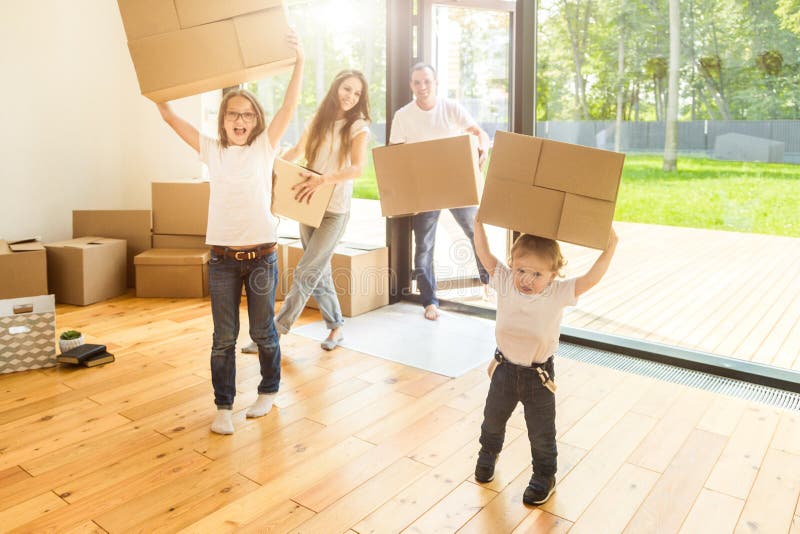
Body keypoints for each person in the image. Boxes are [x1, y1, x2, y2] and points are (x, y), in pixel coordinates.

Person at [155, 32, 304, 435]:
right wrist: (157, 89)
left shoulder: (264, 149)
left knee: (262, 331)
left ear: (256, 121)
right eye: (233, 114)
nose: (240, 121)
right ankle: (224, 406)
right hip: (222, 259)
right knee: (223, 337)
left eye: (248, 115)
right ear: (222, 120)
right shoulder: (210, 150)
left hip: (261, 256)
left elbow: (290, 106)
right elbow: (170, 116)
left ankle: (268, 391)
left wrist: (299, 61)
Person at [472, 221, 619, 505]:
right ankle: (487, 454)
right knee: (492, 421)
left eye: (537, 274)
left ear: (553, 275)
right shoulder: (503, 279)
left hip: (537, 377)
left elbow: (590, 279)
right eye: (521, 270)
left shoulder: (558, 292)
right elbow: (484, 252)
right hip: (503, 370)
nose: (526, 279)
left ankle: (544, 476)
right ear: (512, 264)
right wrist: (478, 221)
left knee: (541, 433)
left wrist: (610, 247)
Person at [267, 69, 371, 350]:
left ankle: (275, 332)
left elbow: (358, 168)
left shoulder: (358, 126)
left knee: (306, 270)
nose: (351, 96)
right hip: (309, 203)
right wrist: (270, 167)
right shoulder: (319, 119)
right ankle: (336, 328)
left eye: (357, 93)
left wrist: (324, 179)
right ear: (336, 87)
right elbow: (298, 150)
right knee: (318, 270)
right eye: (347, 89)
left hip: (335, 209)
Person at [388, 62, 491, 321]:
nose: (422, 87)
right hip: (425, 189)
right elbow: (395, 157)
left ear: (436, 84)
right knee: (424, 246)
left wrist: (482, 150)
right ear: (411, 85)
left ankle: (488, 282)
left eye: (427, 81)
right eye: (417, 82)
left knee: (475, 230)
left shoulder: (451, 108)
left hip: (456, 182)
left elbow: (480, 133)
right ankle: (429, 301)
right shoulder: (403, 115)